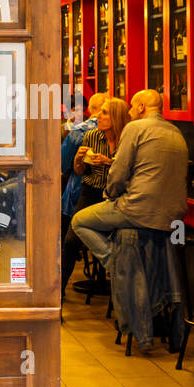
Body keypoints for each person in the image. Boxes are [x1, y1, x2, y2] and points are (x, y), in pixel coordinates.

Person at [71, 89, 188, 270]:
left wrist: (110, 194)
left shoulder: (134, 128)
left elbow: (118, 174)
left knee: (79, 221)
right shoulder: (175, 131)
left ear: (141, 107)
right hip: (173, 216)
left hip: (139, 210)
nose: (130, 112)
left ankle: (118, 264)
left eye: (132, 106)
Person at [60, 98, 129, 294]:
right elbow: (80, 171)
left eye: (105, 113)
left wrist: (108, 162)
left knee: (124, 240)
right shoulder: (91, 136)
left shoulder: (127, 140)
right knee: (70, 241)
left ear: (116, 117)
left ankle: (120, 286)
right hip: (90, 193)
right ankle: (59, 295)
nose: (98, 116)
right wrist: (78, 160)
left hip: (116, 197)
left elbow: (128, 173)